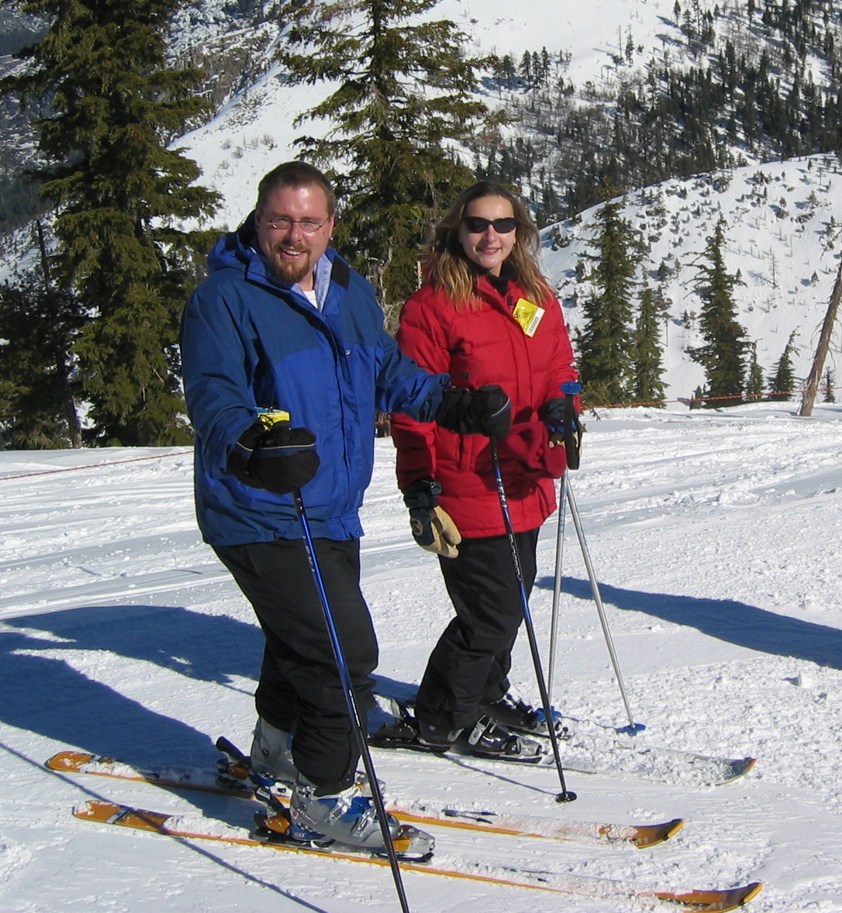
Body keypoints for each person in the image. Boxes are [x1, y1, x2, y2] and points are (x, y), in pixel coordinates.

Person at [180, 161, 510, 852]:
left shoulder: (349, 292)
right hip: (258, 506)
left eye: (308, 222)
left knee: (299, 637)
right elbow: (215, 396)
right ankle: (323, 798)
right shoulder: (225, 298)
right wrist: (254, 444)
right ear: (258, 221)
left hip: (331, 505)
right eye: (279, 220)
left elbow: (386, 372)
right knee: (341, 653)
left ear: (330, 226)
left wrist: (451, 401)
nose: (292, 235)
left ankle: (274, 753)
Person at [381, 181, 580, 759]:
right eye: (477, 224)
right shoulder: (433, 306)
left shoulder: (536, 294)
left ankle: (486, 693)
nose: (489, 236)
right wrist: (420, 486)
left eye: (503, 225)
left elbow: (559, 364)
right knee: (488, 612)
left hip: (527, 473)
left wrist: (566, 403)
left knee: (510, 601)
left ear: (519, 232)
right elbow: (411, 404)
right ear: (457, 230)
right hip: (466, 482)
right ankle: (443, 716)